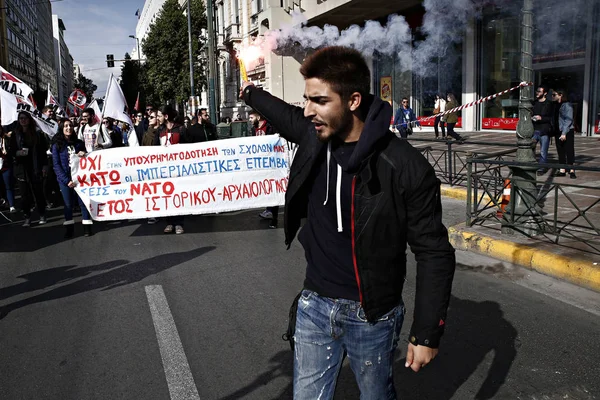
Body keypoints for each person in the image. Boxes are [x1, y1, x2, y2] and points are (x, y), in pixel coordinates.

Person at [240, 46, 456, 399]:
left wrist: (427, 332)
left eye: (319, 100)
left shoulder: (404, 166)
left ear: (353, 100)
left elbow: (434, 252)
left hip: (372, 315)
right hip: (314, 306)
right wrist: (249, 91)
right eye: (306, 100)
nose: (307, 111)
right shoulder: (314, 134)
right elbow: (280, 113)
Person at [52, 118, 94, 238]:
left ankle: (87, 226)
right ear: (61, 128)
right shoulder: (57, 145)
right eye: (66, 126)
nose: (69, 128)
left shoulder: (79, 143)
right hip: (65, 180)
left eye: (70, 125)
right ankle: (69, 229)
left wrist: (83, 154)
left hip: (80, 178)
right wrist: (66, 180)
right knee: (68, 204)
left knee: (83, 202)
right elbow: (56, 165)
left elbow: (87, 161)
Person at [8, 112, 49, 226]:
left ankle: (42, 214)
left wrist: (45, 166)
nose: (23, 120)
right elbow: (11, 151)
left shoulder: (37, 133)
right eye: (21, 118)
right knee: (24, 195)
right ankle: (27, 217)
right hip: (21, 169)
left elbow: (42, 152)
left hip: (35, 167)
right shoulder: (15, 134)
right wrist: (18, 152)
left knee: (38, 192)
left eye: (25, 118)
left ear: (29, 119)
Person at [155, 105, 186, 234]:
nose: (157, 118)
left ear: (166, 116)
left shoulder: (180, 129)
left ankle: (178, 223)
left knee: (178, 194)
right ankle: (169, 222)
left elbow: (188, 148)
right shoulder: (160, 130)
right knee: (167, 195)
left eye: (159, 116)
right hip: (164, 169)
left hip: (178, 169)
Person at [249, 109, 278, 228]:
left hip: (272, 163)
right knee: (267, 187)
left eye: (251, 118)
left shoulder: (270, 127)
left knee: (273, 188)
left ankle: (274, 217)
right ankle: (268, 209)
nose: (250, 120)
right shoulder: (253, 130)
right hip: (261, 164)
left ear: (258, 118)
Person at [552, 89, 576, 179]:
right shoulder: (555, 105)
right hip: (558, 130)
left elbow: (568, 120)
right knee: (560, 150)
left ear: (560, 95)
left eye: (554, 94)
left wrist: (564, 133)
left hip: (567, 131)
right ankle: (562, 169)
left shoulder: (567, 105)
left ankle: (572, 169)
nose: (552, 96)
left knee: (569, 149)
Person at [532, 85, 553, 175]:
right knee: (530, 148)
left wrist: (541, 118)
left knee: (543, 151)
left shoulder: (549, 104)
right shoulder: (534, 103)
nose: (537, 93)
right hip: (534, 129)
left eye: (539, 91)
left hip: (544, 130)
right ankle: (531, 165)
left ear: (545, 93)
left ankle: (541, 168)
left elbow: (551, 118)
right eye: (537, 91)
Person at [0, 126, 16, 212]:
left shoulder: (6, 138)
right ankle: (4, 201)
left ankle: (11, 205)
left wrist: (7, 151)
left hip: (6, 166)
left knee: (8, 186)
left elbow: (12, 150)